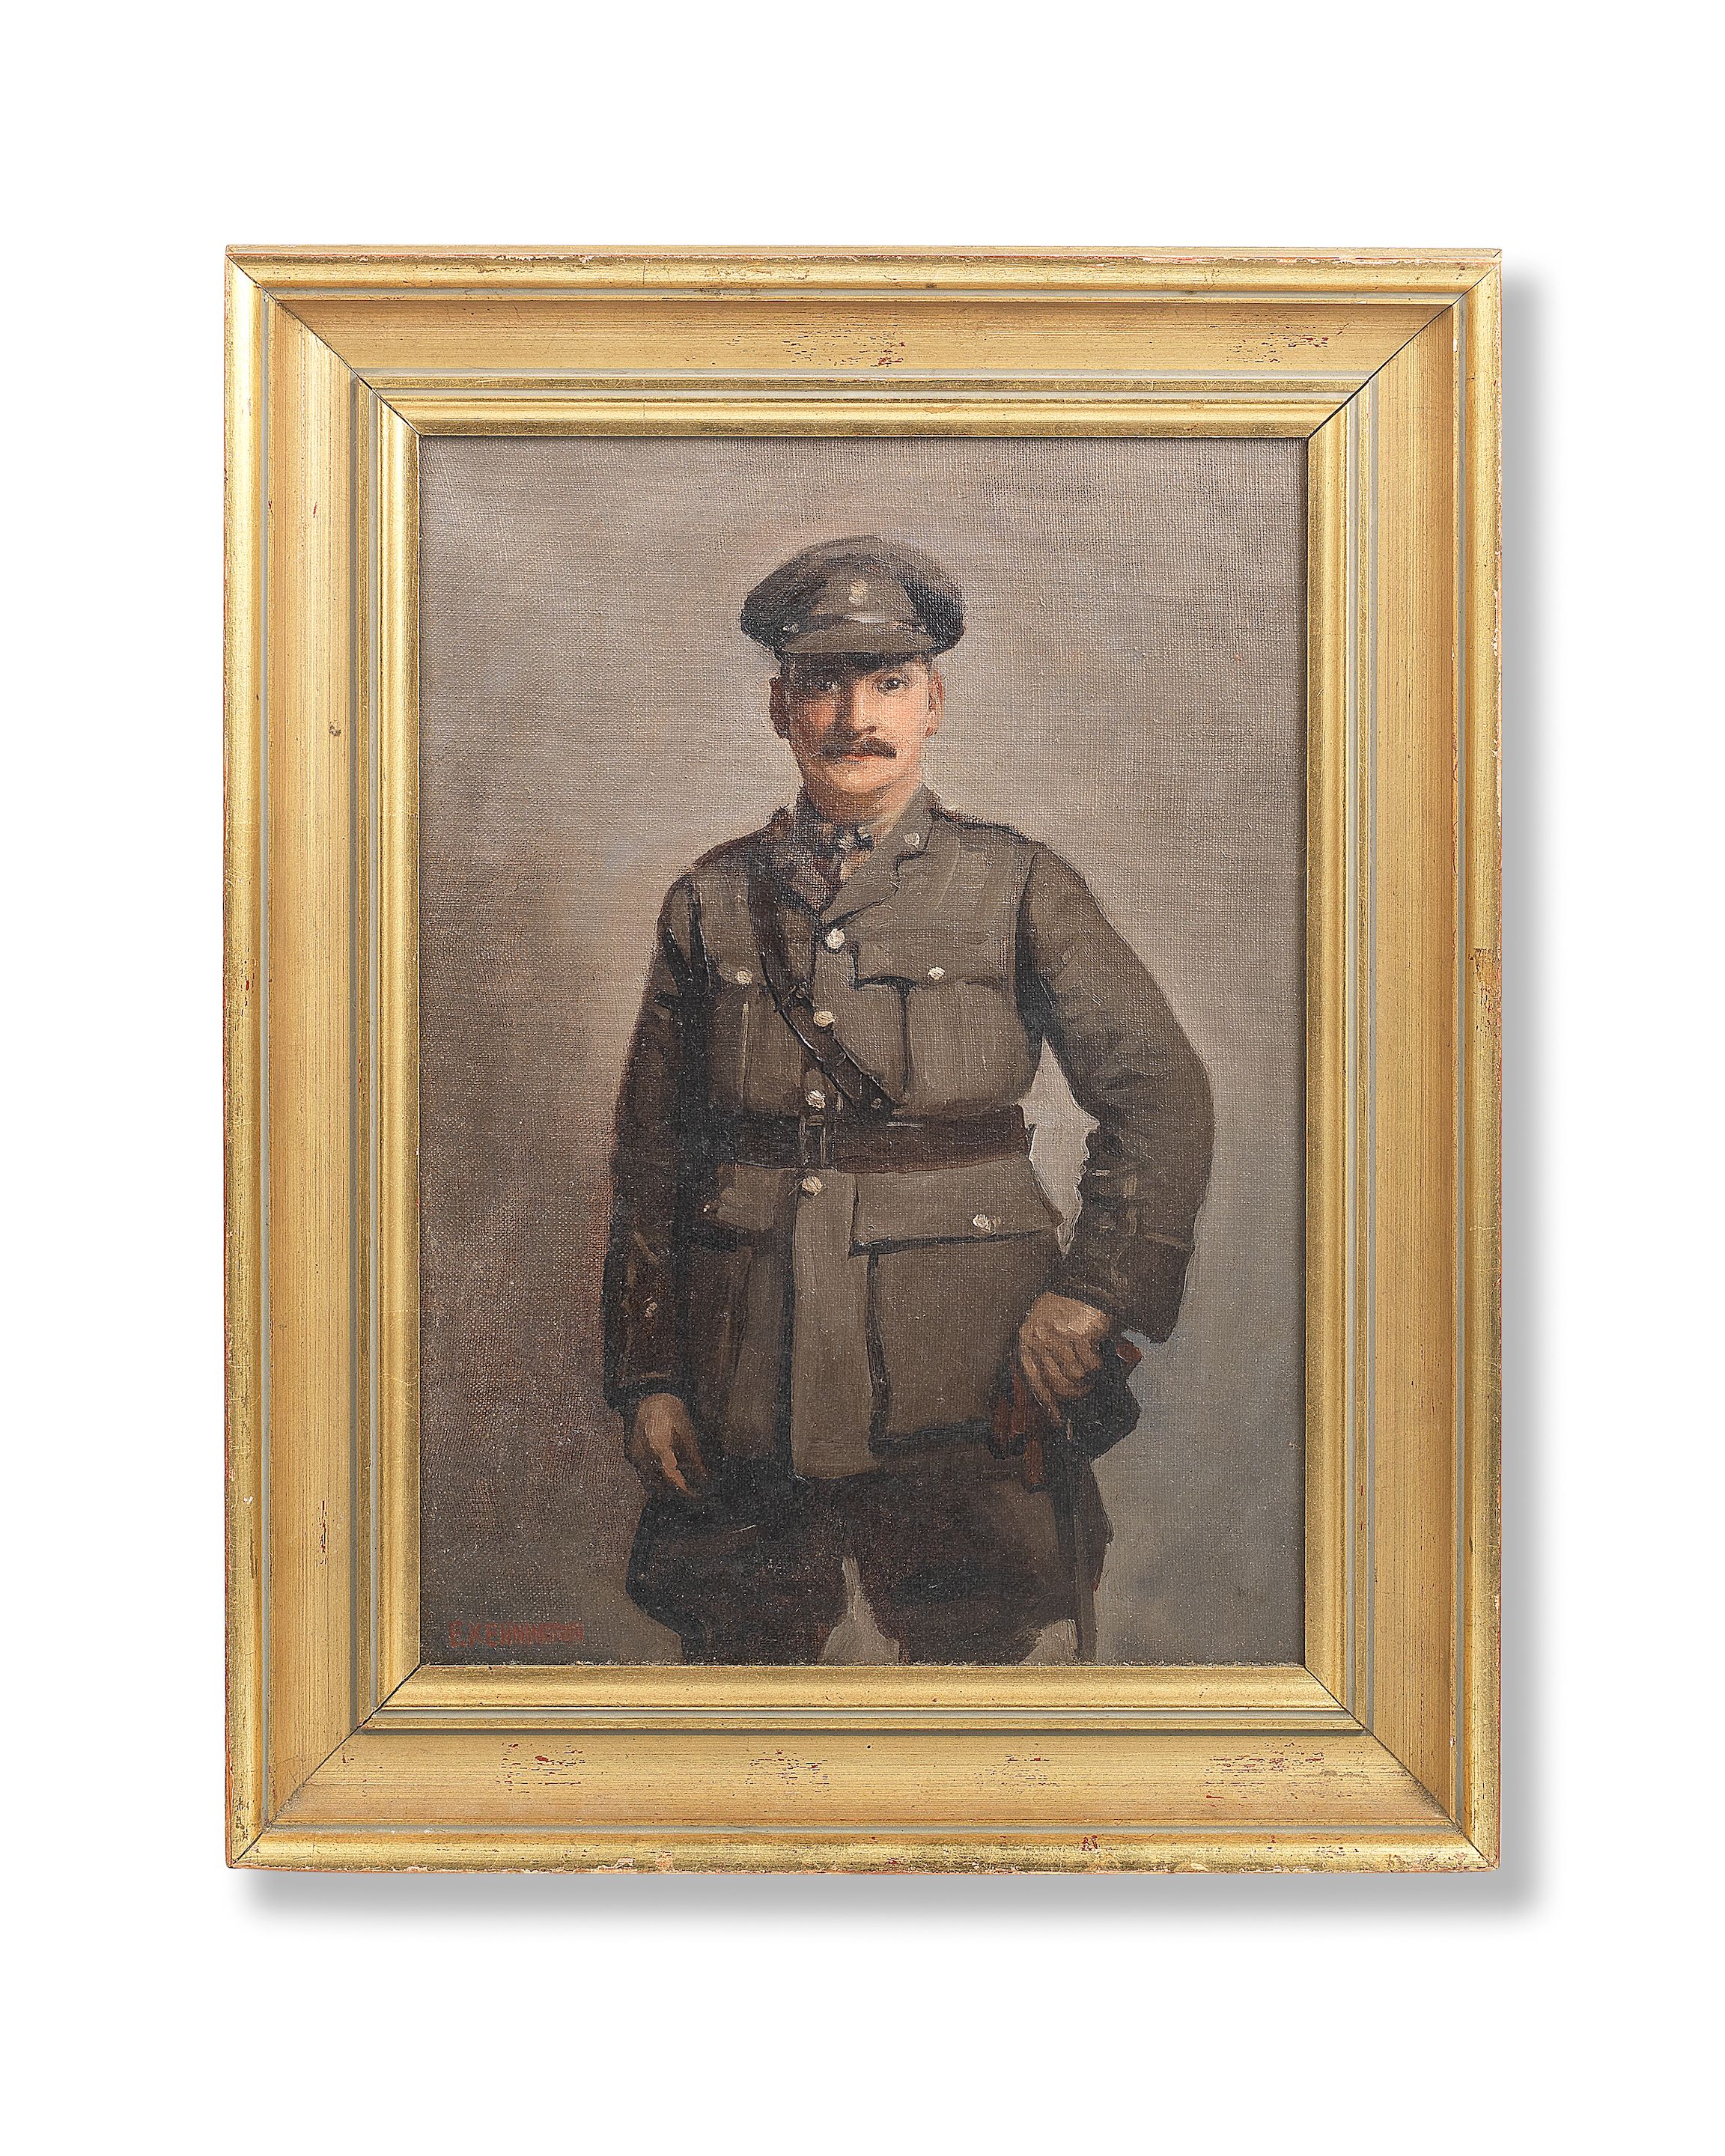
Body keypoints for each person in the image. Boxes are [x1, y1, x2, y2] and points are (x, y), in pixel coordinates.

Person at [603, 536, 1213, 1663]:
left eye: (888, 682)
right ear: (780, 707)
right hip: (748, 1369)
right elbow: (652, 1158)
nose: (856, 716)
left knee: (972, 1671)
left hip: (966, 1365)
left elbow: (1160, 1094)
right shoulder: (712, 898)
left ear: (934, 703)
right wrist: (649, 1373)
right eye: (824, 684)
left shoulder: (1017, 883)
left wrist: (1092, 1294)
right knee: (741, 1677)